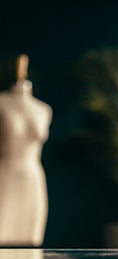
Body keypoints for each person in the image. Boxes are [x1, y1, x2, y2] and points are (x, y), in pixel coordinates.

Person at [0, 54, 52, 246]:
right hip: (5, 175)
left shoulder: (44, 110)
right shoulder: (2, 103)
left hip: (33, 178)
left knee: (31, 242)